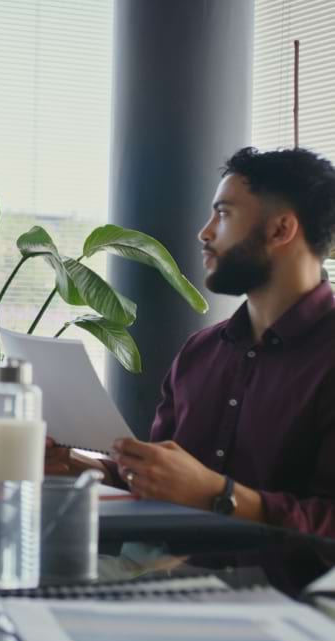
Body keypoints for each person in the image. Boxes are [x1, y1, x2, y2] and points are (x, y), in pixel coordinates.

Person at [48, 147, 335, 537]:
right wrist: (83, 467)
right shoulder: (200, 353)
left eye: (224, 213)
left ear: (281, 229)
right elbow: (162, 484)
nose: (205, 232)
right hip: (166, 581)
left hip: (286, 595)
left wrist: (218, 495)